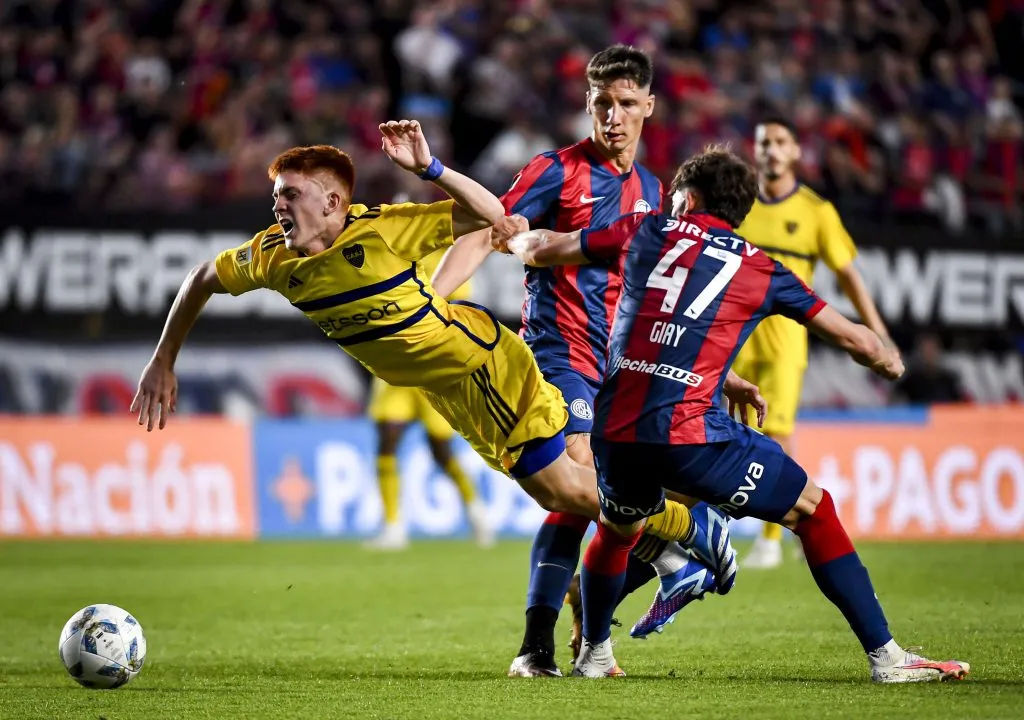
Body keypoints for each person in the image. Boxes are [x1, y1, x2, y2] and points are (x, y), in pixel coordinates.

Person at [130, 118, 701, 618]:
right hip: (443, 388)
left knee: (563, 490)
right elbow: (202, 276)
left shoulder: (381, 229)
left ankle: (693, 531)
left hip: (482, 364)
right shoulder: (273, 258)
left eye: (291, 196)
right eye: (276, 196)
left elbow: (491, 216)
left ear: (333, 203)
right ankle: (672, 537)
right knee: (571, 486)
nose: (279, 207)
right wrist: (163, 358)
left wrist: (430, 167)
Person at [495, 145, 969, 683]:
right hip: (687, 431)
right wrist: (889, 358)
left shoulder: (645, 229)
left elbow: (546, 248)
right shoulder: (761, 267)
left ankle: (596, 654)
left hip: (616, 430)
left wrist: (513, 236)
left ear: (689, 197)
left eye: (674, 196)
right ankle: (889, 659)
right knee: (814, 509)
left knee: (618, 525)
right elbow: (853, 339)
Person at [431, 45, 741, 677]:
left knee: (602, 499)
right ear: (589, 105)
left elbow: (661, 289)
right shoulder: (555, 170)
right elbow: (490, 228)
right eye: (603, 104)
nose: (615, 116)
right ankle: (665, 556)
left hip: (624, 365)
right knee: (581, 479)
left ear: (650, 106)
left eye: (628, 104)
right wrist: (435, 298)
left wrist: (721, 368)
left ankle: (571, 633)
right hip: (560, 353)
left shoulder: (655, 192)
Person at [733, 116, 894, 570]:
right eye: (763, 142)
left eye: (780, 142)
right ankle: (705, 530)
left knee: (776, 432)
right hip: (734, 331)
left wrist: (877, 332)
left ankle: (769, 538)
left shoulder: (816, 211)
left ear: (796, 152)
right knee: (712, 423)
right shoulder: (739, 205)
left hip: (785, 338)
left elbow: (848, 276)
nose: (770, 150)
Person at [364, 247, 493, 550]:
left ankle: (476, 510)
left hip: (431, 364)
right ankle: (393, 527)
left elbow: (457, 304)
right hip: (394, 362)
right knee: (387, 439)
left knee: (440, 449)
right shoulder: (384, 255)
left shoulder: (445, 255)